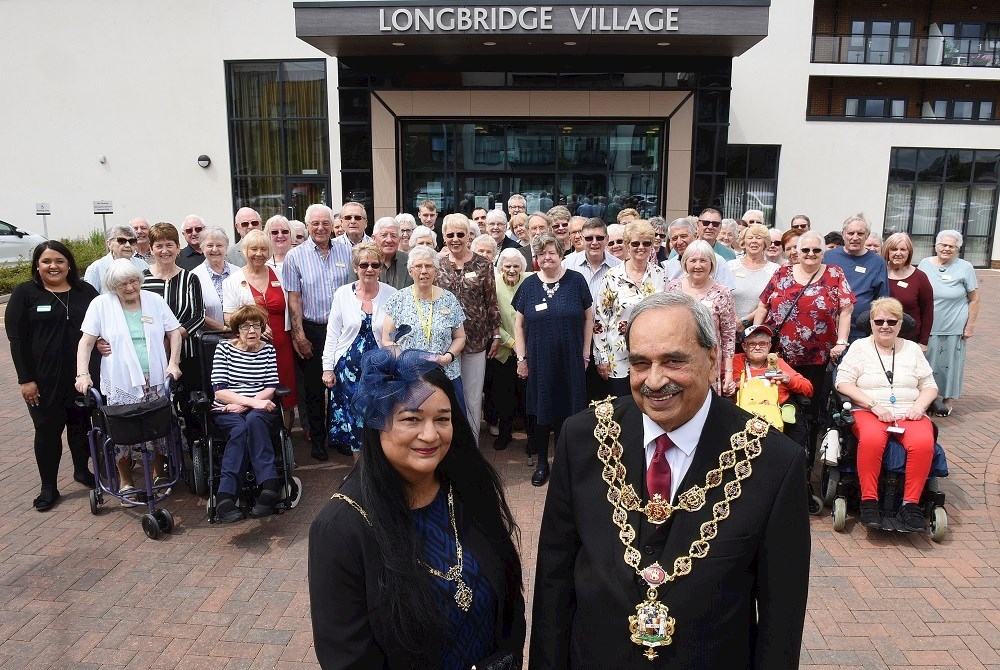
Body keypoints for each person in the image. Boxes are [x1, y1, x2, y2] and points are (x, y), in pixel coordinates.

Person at [529, 292, 810, 669]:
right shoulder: (584, 437)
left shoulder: (774, 461)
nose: (654, 381)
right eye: (640, 363)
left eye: (674, 361)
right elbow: (554, 577)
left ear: (712, 359)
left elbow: (781, 617)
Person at [309, 348, 525, 668]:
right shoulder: (342, 528)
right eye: (411, 418)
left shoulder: (468, 489)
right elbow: (348, 659)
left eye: (442, 419)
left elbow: (509, 604)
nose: (430, 435)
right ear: (377, 423)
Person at [76, 260, 182, 500]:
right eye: (122, 284)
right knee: (121, 431)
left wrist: (173, 363)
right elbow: (87, 341)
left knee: (157, 428)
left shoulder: (153, 300)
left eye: (133, 281)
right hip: (120, 380)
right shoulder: (101, 304)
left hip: (155, 377)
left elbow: (174, 332)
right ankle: (125, 480)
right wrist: (82, 374)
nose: (130, 287)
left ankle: (159, 473)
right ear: (113, 286)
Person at [7, 242, 100, 511]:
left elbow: (102, 324)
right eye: (46, 261)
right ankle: (48, 487)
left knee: (80, 426)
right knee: (47, 432)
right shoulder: (26, 293)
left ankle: (82, 471)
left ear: (69, 264)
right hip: (43, 381)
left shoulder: (86, 292)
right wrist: (25, 380)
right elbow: (17, 340)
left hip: (82, 377)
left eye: (59, 260)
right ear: (37, 265)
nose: (53, 266)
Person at [835, 297, 938, 531]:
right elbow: (843, 383)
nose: (885, 326)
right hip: (870, 410)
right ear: (871, 322)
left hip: (908, 411)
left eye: (892, 321)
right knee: (872, 439)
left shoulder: (912, 349)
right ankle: (869, 501)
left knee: (923, 442)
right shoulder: (859, 347)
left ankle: (910, 504)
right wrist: (873, 405)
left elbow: (930, 385)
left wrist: (920, 406)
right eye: (879, 320)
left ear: (901, 324)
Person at [754, 232, 855, 441]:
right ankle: (781, 443)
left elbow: (846, 309)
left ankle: (807, 449)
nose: (811, 254)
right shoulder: (782, 273)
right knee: (779, 401)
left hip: (818, 356)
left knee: (813, 403)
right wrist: (756, 337)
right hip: (780, 354)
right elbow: (763, 305)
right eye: (805, 250)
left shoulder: (834, 273)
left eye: (816, 250)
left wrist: (842, 342)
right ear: (797, 252)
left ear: (823, 252)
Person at [513, 232, 593, 487]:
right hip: (539, 360)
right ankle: (541, 463)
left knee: (566, 411)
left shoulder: (576, 281)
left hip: (570, 358)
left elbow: (589, 318)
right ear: (536, 257)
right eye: (542, 253)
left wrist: (585, 352)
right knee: (541, 411)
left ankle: (562, 463)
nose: (547, 257)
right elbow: (518, 326)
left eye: (552, 252)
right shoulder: (528, 285)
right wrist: (521, 358)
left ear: (561, 254)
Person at [283, 203, 354, 460]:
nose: (321, 228)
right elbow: (294, 299)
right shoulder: (295, 256)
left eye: (325, 222)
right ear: (307, 225)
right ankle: (318, 440)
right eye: (315, 223)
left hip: (343, 331)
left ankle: (341, 436)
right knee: (314, 390)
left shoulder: (348, 252)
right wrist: (298, 335)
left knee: (342, 386)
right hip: (312, 330)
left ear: (334, 224)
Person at [209, 304, 285, 522]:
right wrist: (248, 403)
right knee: (240, 428)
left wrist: (248, 405)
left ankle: (269, 486)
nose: (252, 331)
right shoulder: (223, 349)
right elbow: (220, 391)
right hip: (227, 409)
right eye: (245, 326)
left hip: (258, 408)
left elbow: (271, 387)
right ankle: (225, 496)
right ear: (237, 329)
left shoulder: (268, 350)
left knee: (254, 421)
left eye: (256, 326)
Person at [322, 242, 397, 459]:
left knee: (381, 416)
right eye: (364, 265)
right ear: (355, 267)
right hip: (348, 372)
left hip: (381, 370)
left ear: (381, 267)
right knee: (354, 419)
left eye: (375, 264)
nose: (370, 269)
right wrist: (328, 368)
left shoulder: (392, 294)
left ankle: (381, 470)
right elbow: (333, 334)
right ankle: (359, 472)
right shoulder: (342, 294)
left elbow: (395, 336)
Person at [435, 214, 502, 443]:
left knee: (473, 397)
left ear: (468, 236)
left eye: (460, 234)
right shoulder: (437, 264)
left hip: (475, 339)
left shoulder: (483, 264)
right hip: (446, 341)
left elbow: (491, 301)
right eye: (450, 234)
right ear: (443, 237)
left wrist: (495, 334)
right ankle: (451, 442)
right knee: (449, 394)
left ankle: (471, 443)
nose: (455, 239)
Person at [223, 229, 298, 426]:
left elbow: (292, 305)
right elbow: (228, 316)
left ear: (270, 251)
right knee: (256, 391)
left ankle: (285, 437)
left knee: (285, 392)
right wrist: (253, 327)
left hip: (282, 343)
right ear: (244, 251)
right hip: (250, 348)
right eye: (253, 249)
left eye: (264, 249)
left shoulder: (281, 275)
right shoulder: (232, 281)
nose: (259, 253)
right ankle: (257, 431)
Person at [382, 246, 468, 401]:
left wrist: (448, 357)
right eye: (418, 266)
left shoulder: (449, 299)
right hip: (409, 375)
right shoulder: (397, 300)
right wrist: (407, 358)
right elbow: (387, 340)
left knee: (448, 421)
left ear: (436, 270)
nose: (423, 271)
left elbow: (460, 337)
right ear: (410, 271)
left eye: (428, 266)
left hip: (445, 373)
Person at [594, 220, 664, 397]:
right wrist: (601, 358)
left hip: (651, 355)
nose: (641, 247)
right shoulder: (612, 276)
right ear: (627, 245)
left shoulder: (660, 275)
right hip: (618, 356)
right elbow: (600, 319)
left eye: (646, 243)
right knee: (621, 407)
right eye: (635, 243)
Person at [917, 229, 979, 417]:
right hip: (928, 325)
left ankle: (947, 398)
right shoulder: (924, 264)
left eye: (952, 246)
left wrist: (969, 326)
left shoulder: (965, 267)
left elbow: (974, 299)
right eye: (943, 245)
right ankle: (926, 398)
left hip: (953, 325)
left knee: (950, 364)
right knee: (926, 363)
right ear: (936, 246)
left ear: (957, 249)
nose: (946, 249)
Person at [666, 240, 737, 396]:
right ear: (685, 263)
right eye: (693, 260)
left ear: (711, 264)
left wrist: (729, 372)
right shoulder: (673, 288)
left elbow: (729, 336)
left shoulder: (722, 292)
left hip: (709, 362)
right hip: (678, 359)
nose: (698, 266)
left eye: (703, 260)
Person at [563, 217, 623, 401]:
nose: (594, 243)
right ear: (581, 238)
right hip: (576, 336)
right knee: (577, 393)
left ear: (606, 239)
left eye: (599, 238)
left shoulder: (620, 267)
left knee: (604, 394)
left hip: (608, 340)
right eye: (589, 238)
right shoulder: (567, 265)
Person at [141, 222, 206, 391]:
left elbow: (198, 316)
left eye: (169, 245)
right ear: (151, 249)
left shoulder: (190, 279)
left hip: (187, 354)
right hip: (151, 353)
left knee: (189, 405)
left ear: (178, 248)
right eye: (159, 246)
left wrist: (174, 338)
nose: (164, 251)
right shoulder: (141, 279)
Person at [731, 324, 814, 446]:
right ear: (744, 346)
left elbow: (808, 388)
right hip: (744, 412)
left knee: (796, 433)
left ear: (769, 346)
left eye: (763, 343)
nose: (758, 347)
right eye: (752, 344)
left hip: (777, 412)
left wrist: (788, 379)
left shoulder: (778, 363)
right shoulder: (735, 361)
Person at [824, 214, 889, 341]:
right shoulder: (828, 257)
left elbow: (882, 299)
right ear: (843, 234)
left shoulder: (877, 262)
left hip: (859, 332)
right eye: (850, 233)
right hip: (827, 328)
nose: (855, 237)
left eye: (860, 233)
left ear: (867, 236)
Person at [490, 248, 529, 451]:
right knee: (504, 395)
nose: (512, 270)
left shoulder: (531, 280)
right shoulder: (493, 284)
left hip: (529, 350)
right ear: (501, 267)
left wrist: (524, 346)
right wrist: (512, 343)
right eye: (507, 266)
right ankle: (505, 434)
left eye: (516, 266)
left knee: (526, 395)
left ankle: (532, 437)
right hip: (504, 351)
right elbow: (492, 318)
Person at [883, 232, 934, 350]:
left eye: (903, 249)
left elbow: (928, 312)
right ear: (887, 251)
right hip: (881, 337)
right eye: (894, 249)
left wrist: (923, 342)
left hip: (910, 340)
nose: (898, 253)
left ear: (909, 252)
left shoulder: (920, 277)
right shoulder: (879, 273)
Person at [728, 223, 779, 328]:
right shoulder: (730, 266)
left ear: (765, 243)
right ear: (743, 242)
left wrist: (744, 321)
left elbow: (770, 303)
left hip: (759, 331)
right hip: (730, 327)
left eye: (758, 238)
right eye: (750, 238)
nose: (754, 241)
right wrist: (735, 320)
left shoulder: (775, 270)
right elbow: (722, 297)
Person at [663, 217, 735, 289]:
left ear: (695, 236)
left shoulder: (717, 261)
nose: (679, 242)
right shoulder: (670, 265)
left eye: (683, 236)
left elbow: (727, 292)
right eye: (674, 238)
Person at [190, 226, 236, 331]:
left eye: (219, 245)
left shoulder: (239, 272)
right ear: (201, 248)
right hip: (210, 338)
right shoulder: (193, 277)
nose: (215, 249)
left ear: (226, 247)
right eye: (210, 245)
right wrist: (224, 330)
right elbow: (196, 313)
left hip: (242, 337)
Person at [84, 225, 149, 293]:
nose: (128, 245)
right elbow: (88, 297)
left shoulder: (143, 265)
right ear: (109, 244)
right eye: (121, 241)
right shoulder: (96, 268)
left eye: (132, 241)